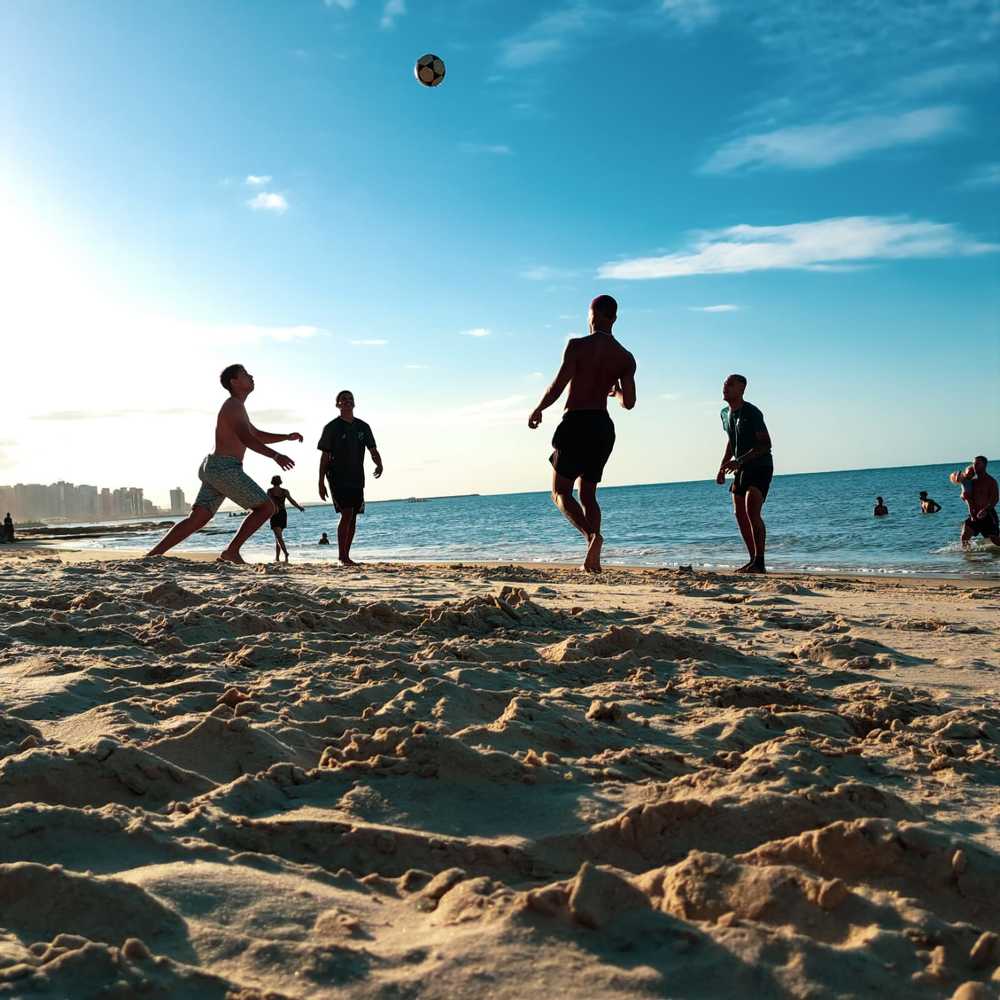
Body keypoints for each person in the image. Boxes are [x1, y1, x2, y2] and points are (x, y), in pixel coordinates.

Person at [147, 365, 301, 563]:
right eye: (245, 374)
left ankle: (152, 556)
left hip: (213, 467)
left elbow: (256, 435)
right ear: (234, 382)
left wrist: (286, 437)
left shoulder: (237, 406)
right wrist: (276, 456)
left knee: (198, 518)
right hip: (224, 467)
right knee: (266, 508)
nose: (251, 376)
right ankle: (232, 551)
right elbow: (246, 438)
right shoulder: (233, 405)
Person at [528, 294, 637, 573]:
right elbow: (629, 403)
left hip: (576, 422)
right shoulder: (625, 357)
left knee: (560, 491)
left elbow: (558, 385)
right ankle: (593, 559)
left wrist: (539, 408)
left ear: (594, 315)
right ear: (614, 318)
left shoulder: (577, 346)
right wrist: (615, 392)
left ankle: (592, 537)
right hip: (603, 427)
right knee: (588, 494)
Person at [317, 390, 383, 565]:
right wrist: (321, 482)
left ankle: (346, 554)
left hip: (357, 477)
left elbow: (373, 449)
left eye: (350, 399)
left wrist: (379, 463)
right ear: (337, 404)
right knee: (346, 512)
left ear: (354, 403)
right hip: (337, 476)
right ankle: (342, 556)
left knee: (353, 515)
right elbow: (324, 456)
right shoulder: (331, 427)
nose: (347, 401)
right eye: (343, 399)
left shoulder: (363, 426)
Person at [716, 374, 773, 574]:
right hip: (740, 468)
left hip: (760, 466)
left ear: (741, 389)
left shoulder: (752, 412)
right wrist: (722, 466)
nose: (725, 387)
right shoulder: (725, 413)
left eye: (730, 384)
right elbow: (732, 441)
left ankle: (760, 562)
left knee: (752, 512)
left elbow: (766, 444)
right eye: (724, 384)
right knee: (738, 513)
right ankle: (752, 560)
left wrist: (740, 460)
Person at [953, 456, 1000, 547]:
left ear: (984, 465)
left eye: (977, 464)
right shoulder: (972, 482)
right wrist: (963, 496)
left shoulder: (991, 481)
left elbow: (995, 499)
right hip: (974, 514)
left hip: (988, 514)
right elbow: (966, 495)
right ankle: (969, 559)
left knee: (995, 540)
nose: (974, 465)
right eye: (974, 463)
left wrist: (985, 510)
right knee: (964, 536)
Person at [267, 475, 304, 562]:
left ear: (272, 482)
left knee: (278, 537)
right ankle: (277, 558)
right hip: (283, 514)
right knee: (278, 537)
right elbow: (291, 501)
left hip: (274, 514)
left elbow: (267, 502)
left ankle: (286, 553)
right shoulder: (285, 491)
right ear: (280, 482)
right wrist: (299, 507)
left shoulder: (270, 491)